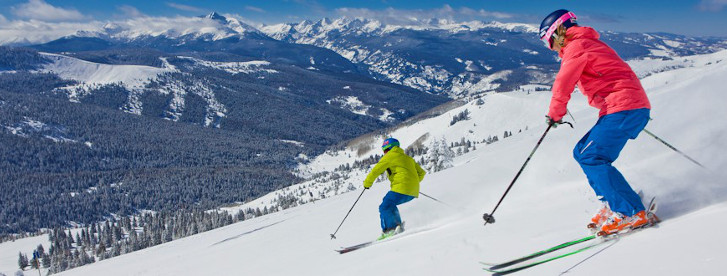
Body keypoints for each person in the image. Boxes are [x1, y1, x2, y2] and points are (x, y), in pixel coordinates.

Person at [539, 9, 652, 235]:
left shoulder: (576, 47)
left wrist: (555, 114)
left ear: (556, 33)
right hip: (625, 108)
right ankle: (614, 202)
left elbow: (563, 83)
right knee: (582, 152)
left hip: (625, 109)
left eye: (548, 42)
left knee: (592, 157)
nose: (551, 48)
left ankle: (630, 211)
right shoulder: (585, 43)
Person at [363, 138, 427, 240]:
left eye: (386, 150)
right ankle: (398, 226)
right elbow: (422, 173)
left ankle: (391, 229)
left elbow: (375, 171)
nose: (384, 153)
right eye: (384, 150)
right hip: (413, 191)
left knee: (385, 206)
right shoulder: (407, 158)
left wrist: (367, 183)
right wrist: (411, 183)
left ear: (390, 148)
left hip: (402, 188)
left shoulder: (389, 157)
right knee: (389, 203)